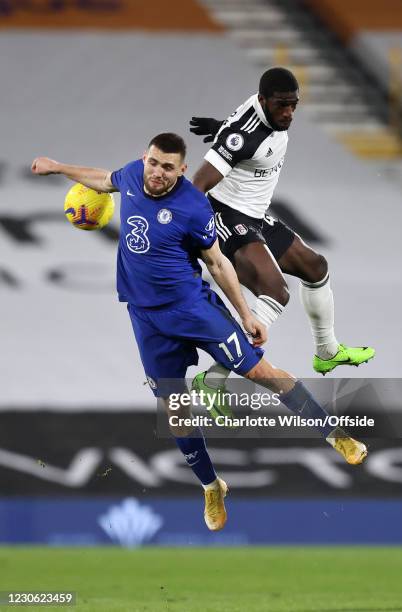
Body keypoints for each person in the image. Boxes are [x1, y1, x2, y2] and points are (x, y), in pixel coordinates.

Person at [31, 133, 367, 532]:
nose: (157, 173)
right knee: (175, 412)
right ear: (145, 158)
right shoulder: (134, 176)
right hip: (147, 319)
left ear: (182, 170)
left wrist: (246, 314)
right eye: (153, 163)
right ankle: (212, 486)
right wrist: (58, 167)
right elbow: (104, 179)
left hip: (193, 309)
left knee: (262, 373)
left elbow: (219, 264)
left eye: (167, 167)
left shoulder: (193, 206)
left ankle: (334, 434)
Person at [189, 67, 375, 411]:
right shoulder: (244, 136)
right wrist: (192, 237)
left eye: (293, 105)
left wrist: (224, 133)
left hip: (255, 214)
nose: (288, 113)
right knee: (276, 292)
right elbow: (196, 187)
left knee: (315, 267)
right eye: (281, 105)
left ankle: (327, 351)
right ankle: (212, 379)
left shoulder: (260, 119)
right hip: (228, 215)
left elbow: (244, 135)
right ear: (263, 101)